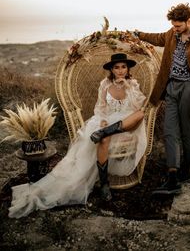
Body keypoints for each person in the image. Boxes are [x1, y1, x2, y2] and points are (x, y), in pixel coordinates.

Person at [9, 53, 147, 218]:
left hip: (128, 121)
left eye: (123, 67)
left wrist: (127, 87)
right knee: (103, 140)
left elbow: (138, 105)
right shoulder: (105, 84)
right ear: (111, 69)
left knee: (140, 114)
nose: (120, 70)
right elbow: (101, 107)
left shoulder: (133, 84)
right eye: (116, 67)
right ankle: (104, 184)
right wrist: (103, 120)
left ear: (128, 68)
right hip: (109, 122)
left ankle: (105, 131)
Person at [135, 3, 190, 194]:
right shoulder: (172, 34)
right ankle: (172, 175)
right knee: (169, 130)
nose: (175, 29)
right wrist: (139, 34)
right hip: (171, 86)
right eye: (173, 25)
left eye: (178, 26)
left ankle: (187, 168)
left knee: (186, 130)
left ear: (189, 20)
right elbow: (158, 38)